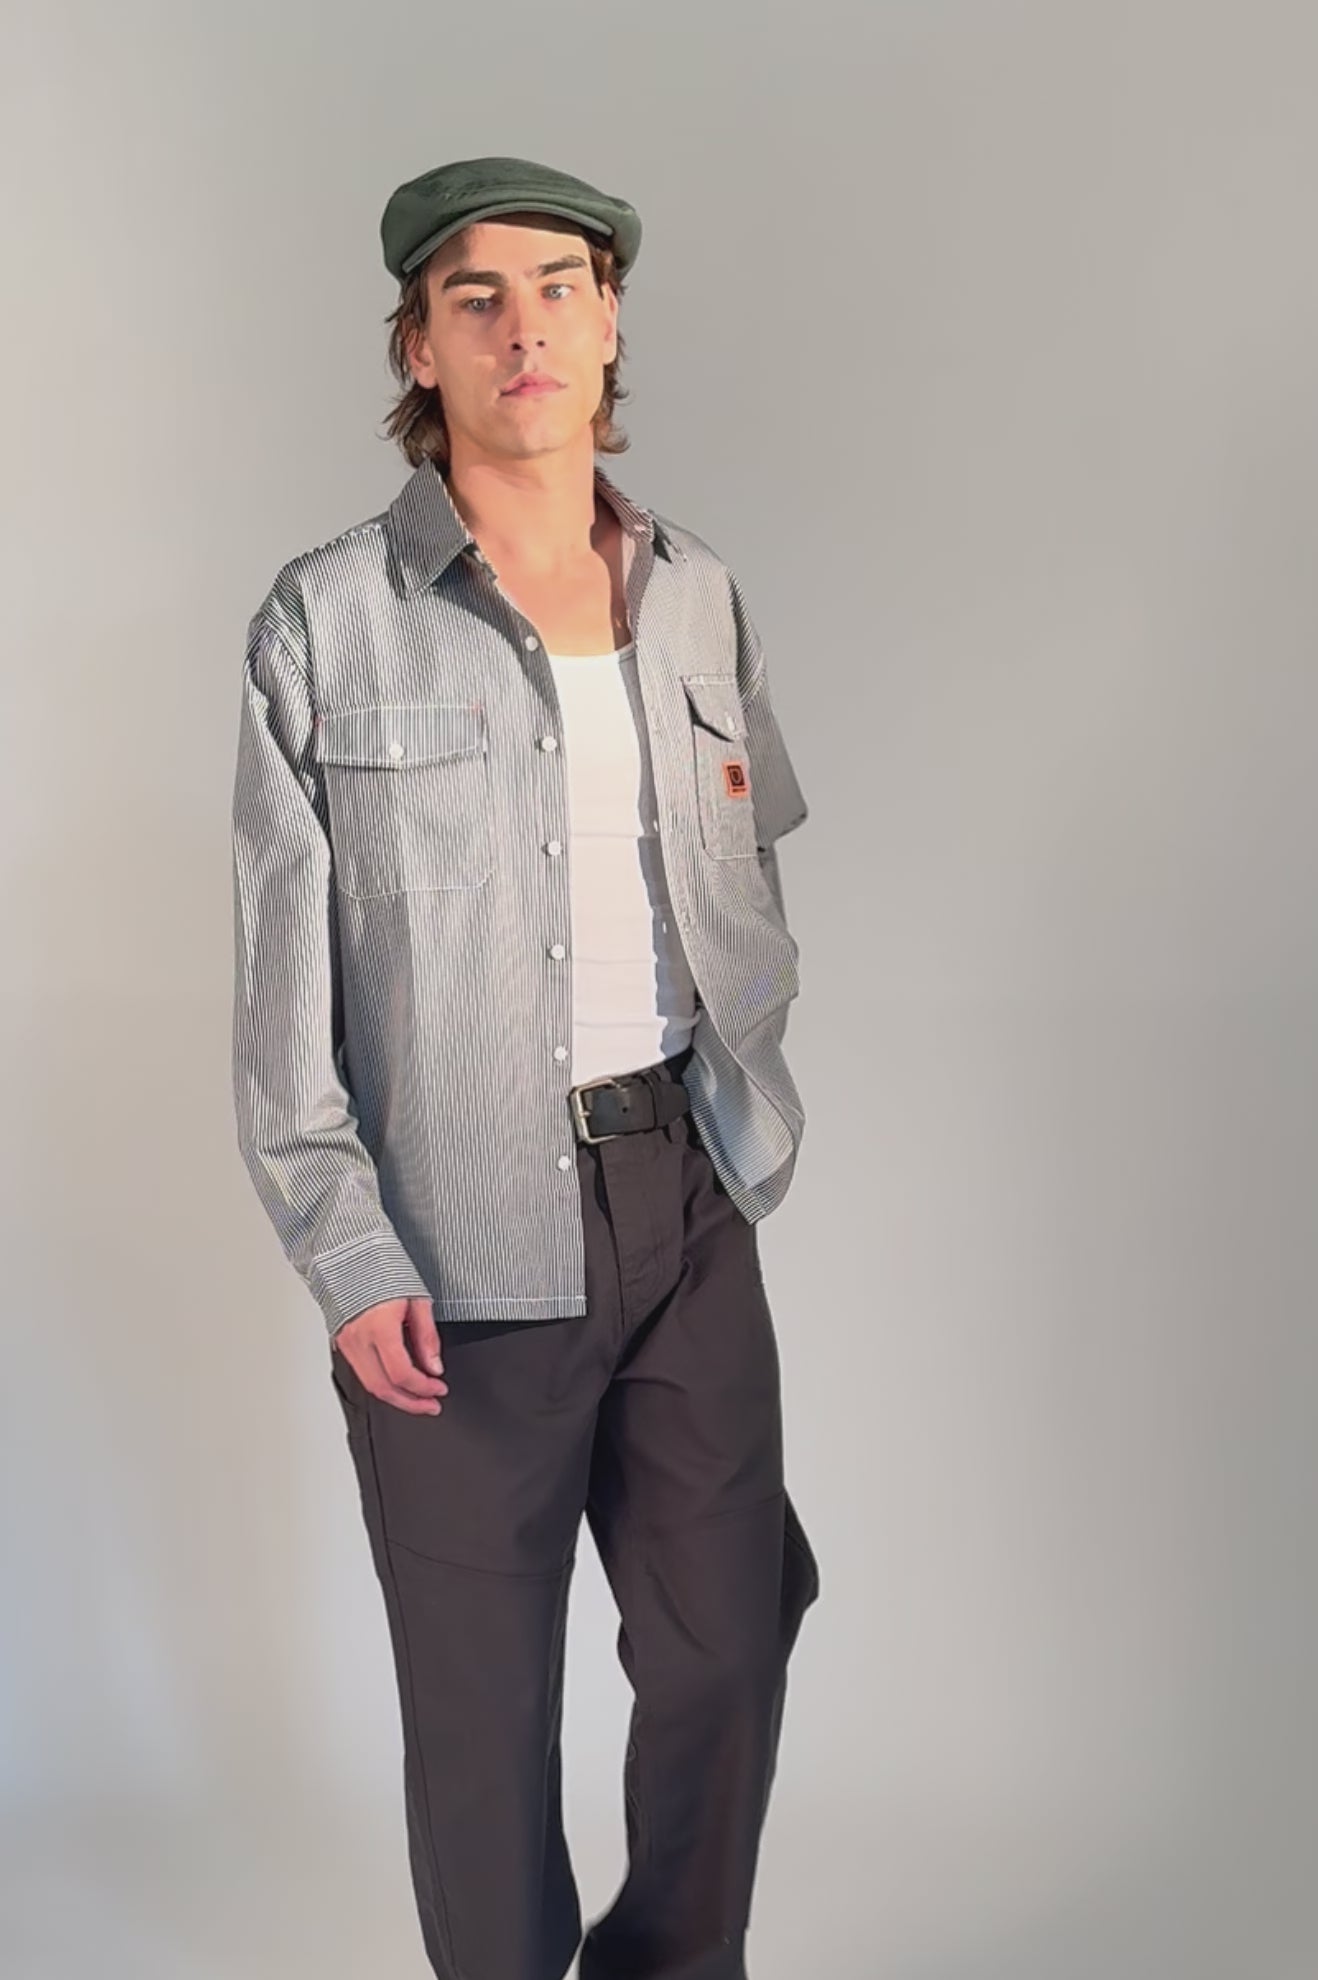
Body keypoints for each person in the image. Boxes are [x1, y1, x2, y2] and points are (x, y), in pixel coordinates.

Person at [230, 153, 820, 1980]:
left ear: (611, 319)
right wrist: (348, 1252)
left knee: (729, 1638)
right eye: (473, 296)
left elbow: (746, 862)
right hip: (453, 1241)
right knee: (482, 1723)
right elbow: (278, 989)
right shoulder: (324, 619)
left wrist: (739, 1119)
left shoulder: (698, 592)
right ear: (419, 344)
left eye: (560, 285)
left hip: (684, 1201)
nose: (524, 326)